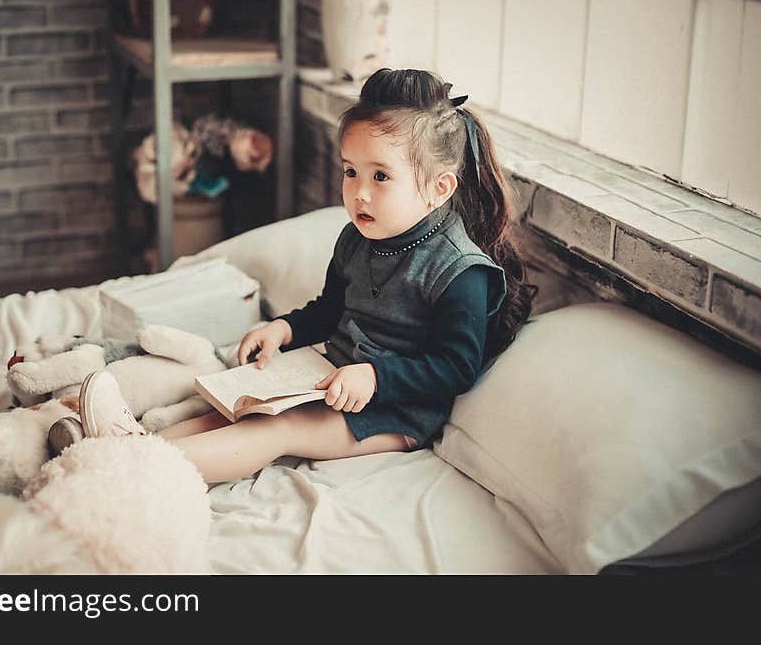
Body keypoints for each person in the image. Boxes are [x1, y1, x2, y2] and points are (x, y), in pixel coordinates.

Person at [48, 68, 537, 484]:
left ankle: (129, 470)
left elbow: (456, 367)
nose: (359, 193)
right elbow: (330, 310)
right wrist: (282, 328)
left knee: (273, 431)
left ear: (438, 188)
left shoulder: (460, 271)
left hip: (397, 412)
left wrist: (376, 376)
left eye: (380, 176)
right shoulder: (355, 239)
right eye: (350, 172)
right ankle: (121, 446)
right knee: (229, 410)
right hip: (328, 379)